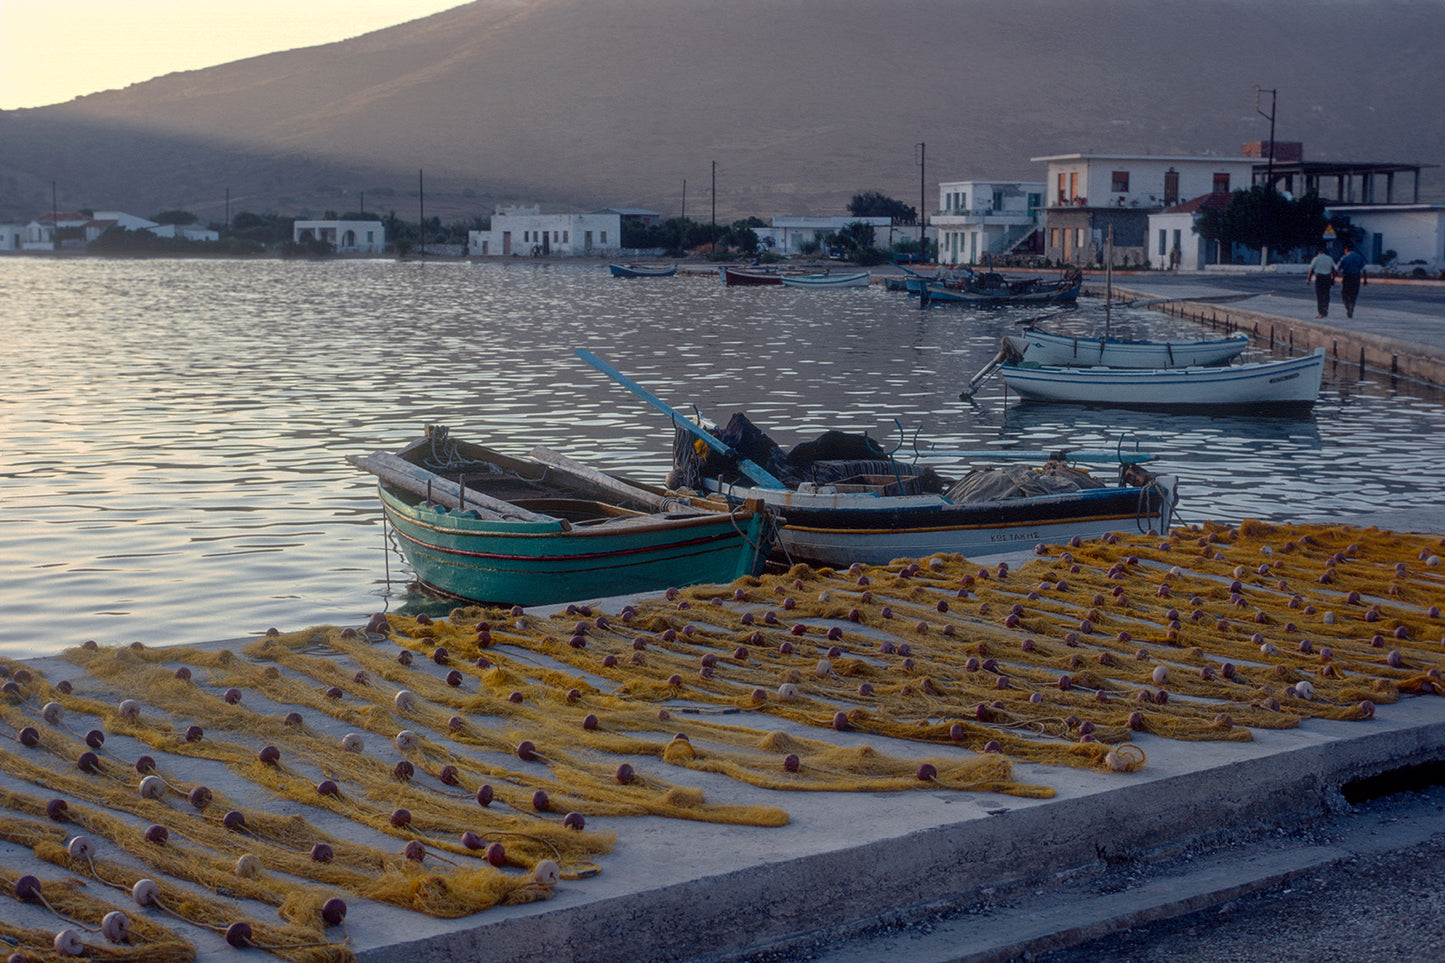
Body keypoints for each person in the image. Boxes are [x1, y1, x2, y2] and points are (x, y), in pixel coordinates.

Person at [1337, 241, 1368, 318]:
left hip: (1347, 277)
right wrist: (1365, 280)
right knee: (1353, 295)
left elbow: (1337, 270)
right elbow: (1364, 270)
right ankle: (1351, 307)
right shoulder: (1359, 257)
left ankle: (1347, 306)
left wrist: (1333, 278)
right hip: (1356, 278)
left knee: (1344, 294)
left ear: (1346, 249)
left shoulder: (1344, 258)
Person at [1305, 244, 1336, 318]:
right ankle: (1325, 309)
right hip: (1327, 277)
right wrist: (1333, 279)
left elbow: (1311, 270)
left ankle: (1321, 312)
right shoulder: (1329, 258)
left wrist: (1308, 279)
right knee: (1326, 294)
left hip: (1319, 278)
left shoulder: (1316, 259)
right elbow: (1334, 270)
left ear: (1317, 252)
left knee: (1319, 295)